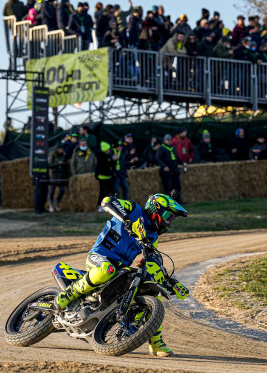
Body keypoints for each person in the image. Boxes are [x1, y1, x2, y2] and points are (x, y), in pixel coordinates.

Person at [54, 193, 190, 357]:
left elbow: (154, 258)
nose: (169, 222)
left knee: (151, 290)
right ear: (156, 209)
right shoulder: (134, 209)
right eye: (168, 216)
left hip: (118, 268)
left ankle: (155, 341)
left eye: (172, 219)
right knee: (106, 269)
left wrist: (167, 280)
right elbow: (107, 201)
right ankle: (68, 294)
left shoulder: (152, 234)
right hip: (99, 257)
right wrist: (126, 219)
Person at [156, 134, 182, 200]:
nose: (169, 141)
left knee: (177, 186)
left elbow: (176, 158)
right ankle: (170, 201)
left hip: (174, 171)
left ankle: (177, 200)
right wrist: (164, 166)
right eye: (168, 140)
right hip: (167, 172)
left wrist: (183, 162)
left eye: (170, 140)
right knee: (168, 187)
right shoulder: (161, 148)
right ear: (164, 140)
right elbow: (158, 158)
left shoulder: (173, 148)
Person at [47, 142, 70, 212]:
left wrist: (64, 163)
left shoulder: (64, 155)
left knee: (62, 190)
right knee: (52, 191)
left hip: (61, 175)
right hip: (54, 175)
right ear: (57, 149)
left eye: (62, 149)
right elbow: (50, 165)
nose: (61, 150)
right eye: (60, 149)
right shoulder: (52, 155)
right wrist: (58, 163)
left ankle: (56, 203)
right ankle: (50, 205)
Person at [94, 141, 115, 212]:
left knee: (107, 192)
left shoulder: (108, 157)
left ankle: (105, 205)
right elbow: (97, 167)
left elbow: (111, 166)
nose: (109, 151)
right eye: (108, 149)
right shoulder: (101, 157)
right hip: (102, 178)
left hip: (108, 177)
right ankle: (100, 206)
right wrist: (96, 175)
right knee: (102, 192)